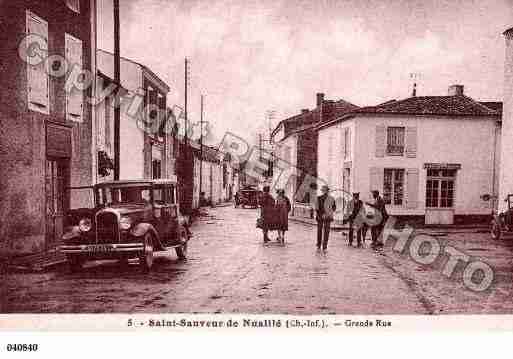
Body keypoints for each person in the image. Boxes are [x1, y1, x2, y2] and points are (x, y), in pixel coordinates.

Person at [315, 185, 336, 252]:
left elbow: (334, 207)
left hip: (328, 217)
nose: (324, 192)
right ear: (322, 191)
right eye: (323, 190)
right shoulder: (319, 198)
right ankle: (318, 245)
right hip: (320, 217)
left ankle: (325, 247)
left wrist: (328, 213)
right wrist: (321, 214)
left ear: (327, 191)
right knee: (319, 231)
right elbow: (317, 208)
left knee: (326, 232)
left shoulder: (331, 199)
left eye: (326, 190)